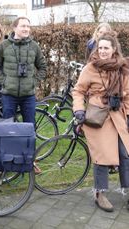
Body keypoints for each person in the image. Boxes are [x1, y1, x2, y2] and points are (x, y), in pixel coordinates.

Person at [72, 32, 129, 212]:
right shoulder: (91, 68)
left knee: (125, 153)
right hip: (97, 117)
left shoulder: (123, 68)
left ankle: (127, 191)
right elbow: (78, 91)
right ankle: (100, 194)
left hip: (118, 116)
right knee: (102, 156)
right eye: (100, 48)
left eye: (106, 48)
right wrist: (79, 109)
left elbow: (127, 95)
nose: (103, 51)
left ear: (114, 50)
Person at [0, 16, 47, 124]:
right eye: (23, 26)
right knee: (8, 127)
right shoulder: (4, 45)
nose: (26, 29)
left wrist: (33, 82)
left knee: (30, 127)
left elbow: (43, 68)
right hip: (9, 95)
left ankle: (29, 142)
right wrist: (5, 81)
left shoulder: (34, 46)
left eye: (28, 26)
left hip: (28, 96)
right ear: (15, 28)